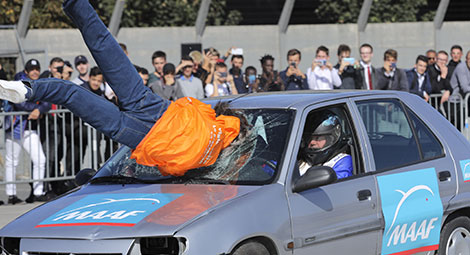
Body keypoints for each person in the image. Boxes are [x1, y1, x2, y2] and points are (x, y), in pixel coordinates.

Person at [0, 0, 246, 177]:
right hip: (140, 136)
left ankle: (74, 5)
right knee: (70, 94)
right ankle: (27, 90)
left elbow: (191, 105)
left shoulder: (219, 121)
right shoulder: (212, 161)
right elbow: (171, 168)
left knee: (104, 45)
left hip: (155, 109)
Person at [5, 58, 49, 204]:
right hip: (15, 126)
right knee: (12, 161)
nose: (35, 72)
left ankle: (38, 192)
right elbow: (19, 102)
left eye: (37, 69)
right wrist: (36, 109)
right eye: (31, 69)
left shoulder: (41, 83)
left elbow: (47, 103)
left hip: (30, 128)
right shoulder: (18, 82)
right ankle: (11, 195)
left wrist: (39, 109)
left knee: (40, 159)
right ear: (26, 71)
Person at [298, 110, 352, 179]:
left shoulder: (342, 161)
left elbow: (338, 182)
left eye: (318, 138)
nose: (312, 142)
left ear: (332, 139)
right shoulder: (300, 158)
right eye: (309, 138)